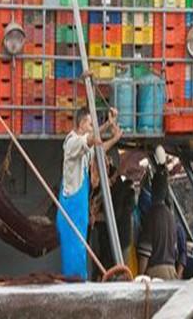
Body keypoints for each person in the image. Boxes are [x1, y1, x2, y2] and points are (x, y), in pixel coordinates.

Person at [56, 106, 122, 280]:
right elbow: (92, 139)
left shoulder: (84, 148)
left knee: (80, 256)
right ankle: (75, 291)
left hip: (80, 213)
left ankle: (80, 285)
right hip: (71, 213)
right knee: (74, 260)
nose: (92, 127)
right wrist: (107, 124)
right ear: (83, 123)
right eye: (91, 124)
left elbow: (98, 149)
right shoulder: (72, 143)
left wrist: (115, 138)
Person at [137, 166, 181, 280]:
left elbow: (145, 253)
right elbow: (176, 251)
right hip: (172, 272)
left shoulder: (151, 215)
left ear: (153, 190)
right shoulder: (171, 216)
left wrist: (140, 277)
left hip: (156, 274)